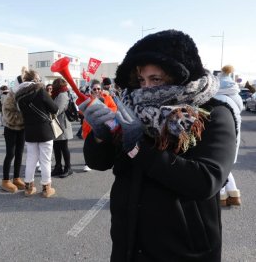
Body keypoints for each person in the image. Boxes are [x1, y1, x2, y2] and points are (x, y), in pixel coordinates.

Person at [81, 30, 236, 261]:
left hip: (184, 249)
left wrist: (139, 148)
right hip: (128, 243)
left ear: (179, 76)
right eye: (141, 80)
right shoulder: (131, 109)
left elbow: (206, 180)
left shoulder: (213, 114)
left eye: (156, 79)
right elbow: (98, 162)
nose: (146, 89)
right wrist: (100, 136)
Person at [15, 69, 58, 197]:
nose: (40, 81)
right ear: (34, 79)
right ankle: (46, 188)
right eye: (38, 78)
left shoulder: (19, 95)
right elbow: (54, 108)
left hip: (29, 131)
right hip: (44, 130)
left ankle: (29, 188)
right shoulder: (40, 91)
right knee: (45, 160)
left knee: (30, 160)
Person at [215, 65, 242, 206]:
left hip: (223, 135)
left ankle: (223, 197)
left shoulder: (217, 96)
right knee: (228, 165)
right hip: (235, 133)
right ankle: (234, 195)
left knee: (221, 165)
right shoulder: (235, 94)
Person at [81, 79, 117, 172]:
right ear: (91, 90)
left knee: (102, 144)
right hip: (89, 126)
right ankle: (87, 163)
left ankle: (102, 159)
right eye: (94, 89)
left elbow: (114, 108)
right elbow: (81, 111)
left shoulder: (107, 97)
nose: (97, 91)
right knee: (89, 145)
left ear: (101, 89)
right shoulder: (87, 98)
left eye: (98, 89)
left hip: (104, 125)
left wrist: (106, 111)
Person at [0, 79, 26, 193]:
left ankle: (16, 178)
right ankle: (5, 180)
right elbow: (7, 114)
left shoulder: (25, 94)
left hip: (22, 128)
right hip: (10, 128)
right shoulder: (10, 96)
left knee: (19, 153)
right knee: (10, 154)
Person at [50, 78, 73, 178]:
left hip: (62, 124)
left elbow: (57, 110)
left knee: (63, 146)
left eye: (54, 85)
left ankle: (68, 168)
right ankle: (58, 166)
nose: (52, 87)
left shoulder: (62, 95)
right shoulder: (57, 94)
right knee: (56, 146)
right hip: (56, 123)